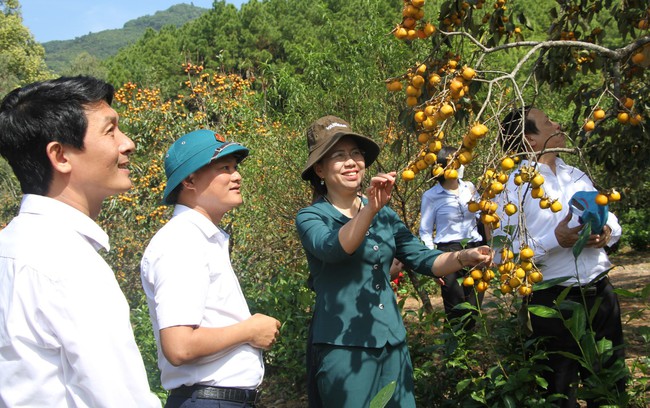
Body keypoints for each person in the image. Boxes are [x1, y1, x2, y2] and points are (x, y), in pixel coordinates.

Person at [296, 115, 493, 408]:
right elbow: (335, 248)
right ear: (320, 169)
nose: (351, 162)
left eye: (355, 154)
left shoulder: (384, 215)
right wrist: (371, 210)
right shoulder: (311, 217)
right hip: (343, 348)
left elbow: (423, 258)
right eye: (338, 156)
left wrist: (465, 256)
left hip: (392, 342)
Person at [0, 76, 160, 407]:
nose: (127, 142)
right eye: (110, 130)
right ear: (60, 156)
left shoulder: (12, 248)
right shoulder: (67, 263)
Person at [140, 129, 281, 408]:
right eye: (224, 168)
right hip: (207, 401)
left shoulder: (200, 239)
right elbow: (180, 346)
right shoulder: (183, 241)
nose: (237, 176)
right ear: (190, 180)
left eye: (236, 167)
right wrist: (250, 331)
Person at [495, 106, 625, 407]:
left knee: (610, 384)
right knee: (559, 391)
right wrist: (555, 240)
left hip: (600, 293)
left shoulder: (576, 175)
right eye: (547, 121)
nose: (557, 123)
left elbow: (611, 219)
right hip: (553, 302)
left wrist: (606, 232)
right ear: (530, 140)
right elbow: (505, 254)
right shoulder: (511, 188)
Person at [418, 146, 486, 326]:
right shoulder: (431, 196)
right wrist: (432, 262)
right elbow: (425, 231)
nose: (460, 164)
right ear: (443, 166)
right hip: (448, 252)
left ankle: (469, 348)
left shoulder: (470, 188)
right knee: (455, 307)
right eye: (455, 161)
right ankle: (454, 348)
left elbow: (483, 217)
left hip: (474, 248)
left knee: (475, 304)